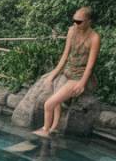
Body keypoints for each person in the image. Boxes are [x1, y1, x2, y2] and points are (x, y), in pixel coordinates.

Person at [33, 7, 100, 138]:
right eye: (74, 20)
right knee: (53, 94)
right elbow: (65, 55)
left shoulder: (94, 38)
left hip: (79, 77)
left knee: (49, 104)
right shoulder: (72, 31)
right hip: (68, 72)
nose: (76, 23)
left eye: (79, 21)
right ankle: (54, 128)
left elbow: (90, 66)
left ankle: (45, 130)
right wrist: (53, 74)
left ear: (88, 21)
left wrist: (82, 83)